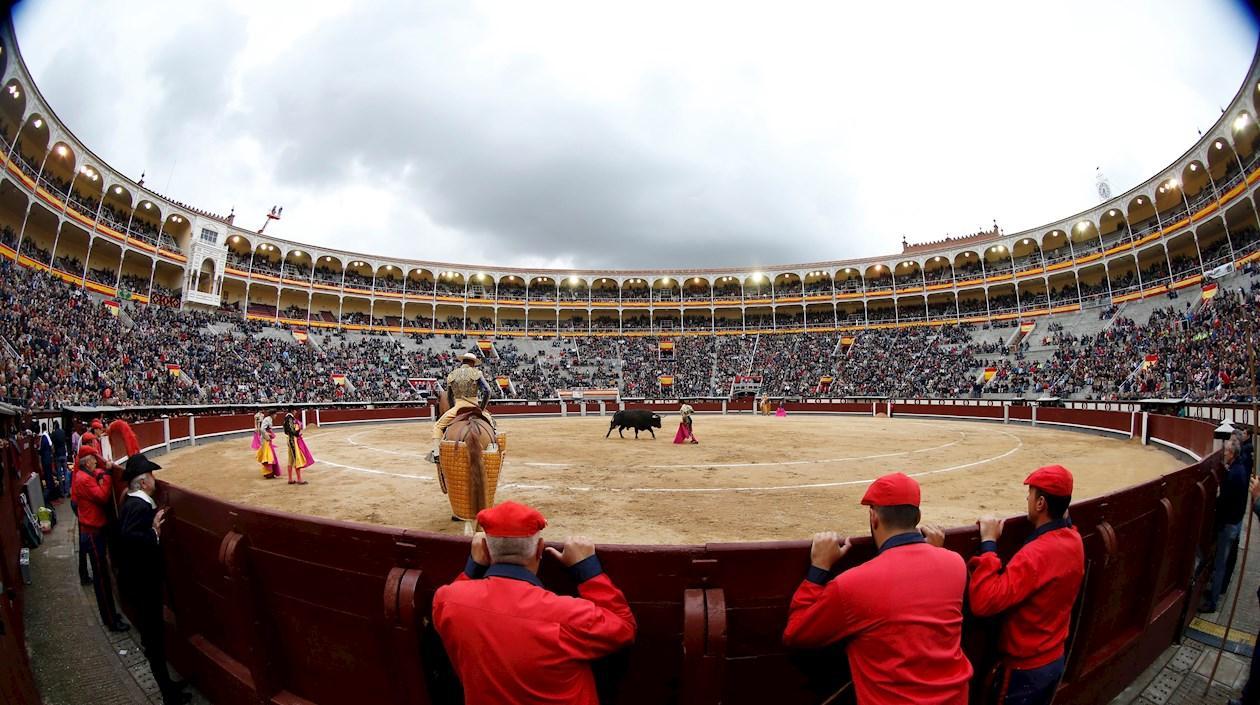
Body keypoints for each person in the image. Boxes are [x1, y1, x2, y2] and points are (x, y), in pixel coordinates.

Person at [782, 472, 971, 704]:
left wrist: (818, 569)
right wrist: (936, 552)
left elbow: (796, 634)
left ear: (873, 517)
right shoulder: (955, 564)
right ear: (918, 517)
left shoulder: (853, 583)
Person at [432, 501, 637, 704]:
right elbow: (624, 627)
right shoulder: (566, 615)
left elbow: (446, 604)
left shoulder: (448, 600)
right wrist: (587, 570)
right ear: (540, 549)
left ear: (484, 549)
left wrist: (472, 568)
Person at [968, 465, 1085, 704]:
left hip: (1025, 670)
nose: (1027, 499)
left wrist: (989, 543)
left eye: (1030, 494)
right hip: (1054, 657)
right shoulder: (1074, 539)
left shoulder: (1036, 555)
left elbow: (983, 602)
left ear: (1041, 503)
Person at [116, 452, 190, 705]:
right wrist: (154, 531)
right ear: (144, 482)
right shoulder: (138, 506)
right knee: (154, 641)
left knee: (154, 640)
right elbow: (130, 538)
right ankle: (168, 694)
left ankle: (167, 685)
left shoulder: (132, 502)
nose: (156, 480)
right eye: (152, 476)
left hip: (137, 584)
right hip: (142, 586)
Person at [70, 445, 128, 632]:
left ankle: (110, 615)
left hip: (93, 530)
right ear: (87, 462)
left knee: (101, 576)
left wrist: (103, 473)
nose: (97, 461)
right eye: (94, 459)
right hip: (93, 533)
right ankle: (110, 620)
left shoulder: (84, 476)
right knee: (102, 578)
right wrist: (109, 474)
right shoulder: (84, 479)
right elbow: (103, 497)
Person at [1203, 441, 1248, 613]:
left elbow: (1224, 503)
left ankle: (1212, 602)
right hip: (1235, 522)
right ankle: (1219, 589)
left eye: (1226, 452)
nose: (1223, 455)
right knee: (1225, 560)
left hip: (1228, 524)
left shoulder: (1234, 474)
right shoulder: (1240, 469)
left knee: (1220, 562)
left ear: (1232, 453)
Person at [428, 352, 495, 463]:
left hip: (458, 407)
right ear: (472, 363)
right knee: (492, 426)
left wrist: (453, 408)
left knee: (438, 427)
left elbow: (449, 397)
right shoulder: (477, 373)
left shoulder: (452, 374)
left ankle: (436, 454)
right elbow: (488, 391)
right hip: (474, 406)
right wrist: (481, 408)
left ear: (463, 361)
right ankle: (493, 445)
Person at [282, 410, 314, 485]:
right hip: (293, 440)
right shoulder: (289, 418)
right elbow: (291, 430)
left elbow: (286, 431)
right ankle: (299, 479)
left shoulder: (287, 418)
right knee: (297, 458)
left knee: (291, 459)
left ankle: (290, 479)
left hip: (290, 439)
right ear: (293, 410)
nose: (296, 412)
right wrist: (298, 431)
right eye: (295, 411)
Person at [256, 410, 280, 479]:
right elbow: (262, 429)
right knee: (268, 456)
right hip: (265, 440)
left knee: (269, 456)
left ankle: (270, 472)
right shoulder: (267, 419)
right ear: (272, 414)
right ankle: (268, 473)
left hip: (267, 440)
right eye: (275, 414)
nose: (276, 416)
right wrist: (268, 435)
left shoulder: (269, 419)